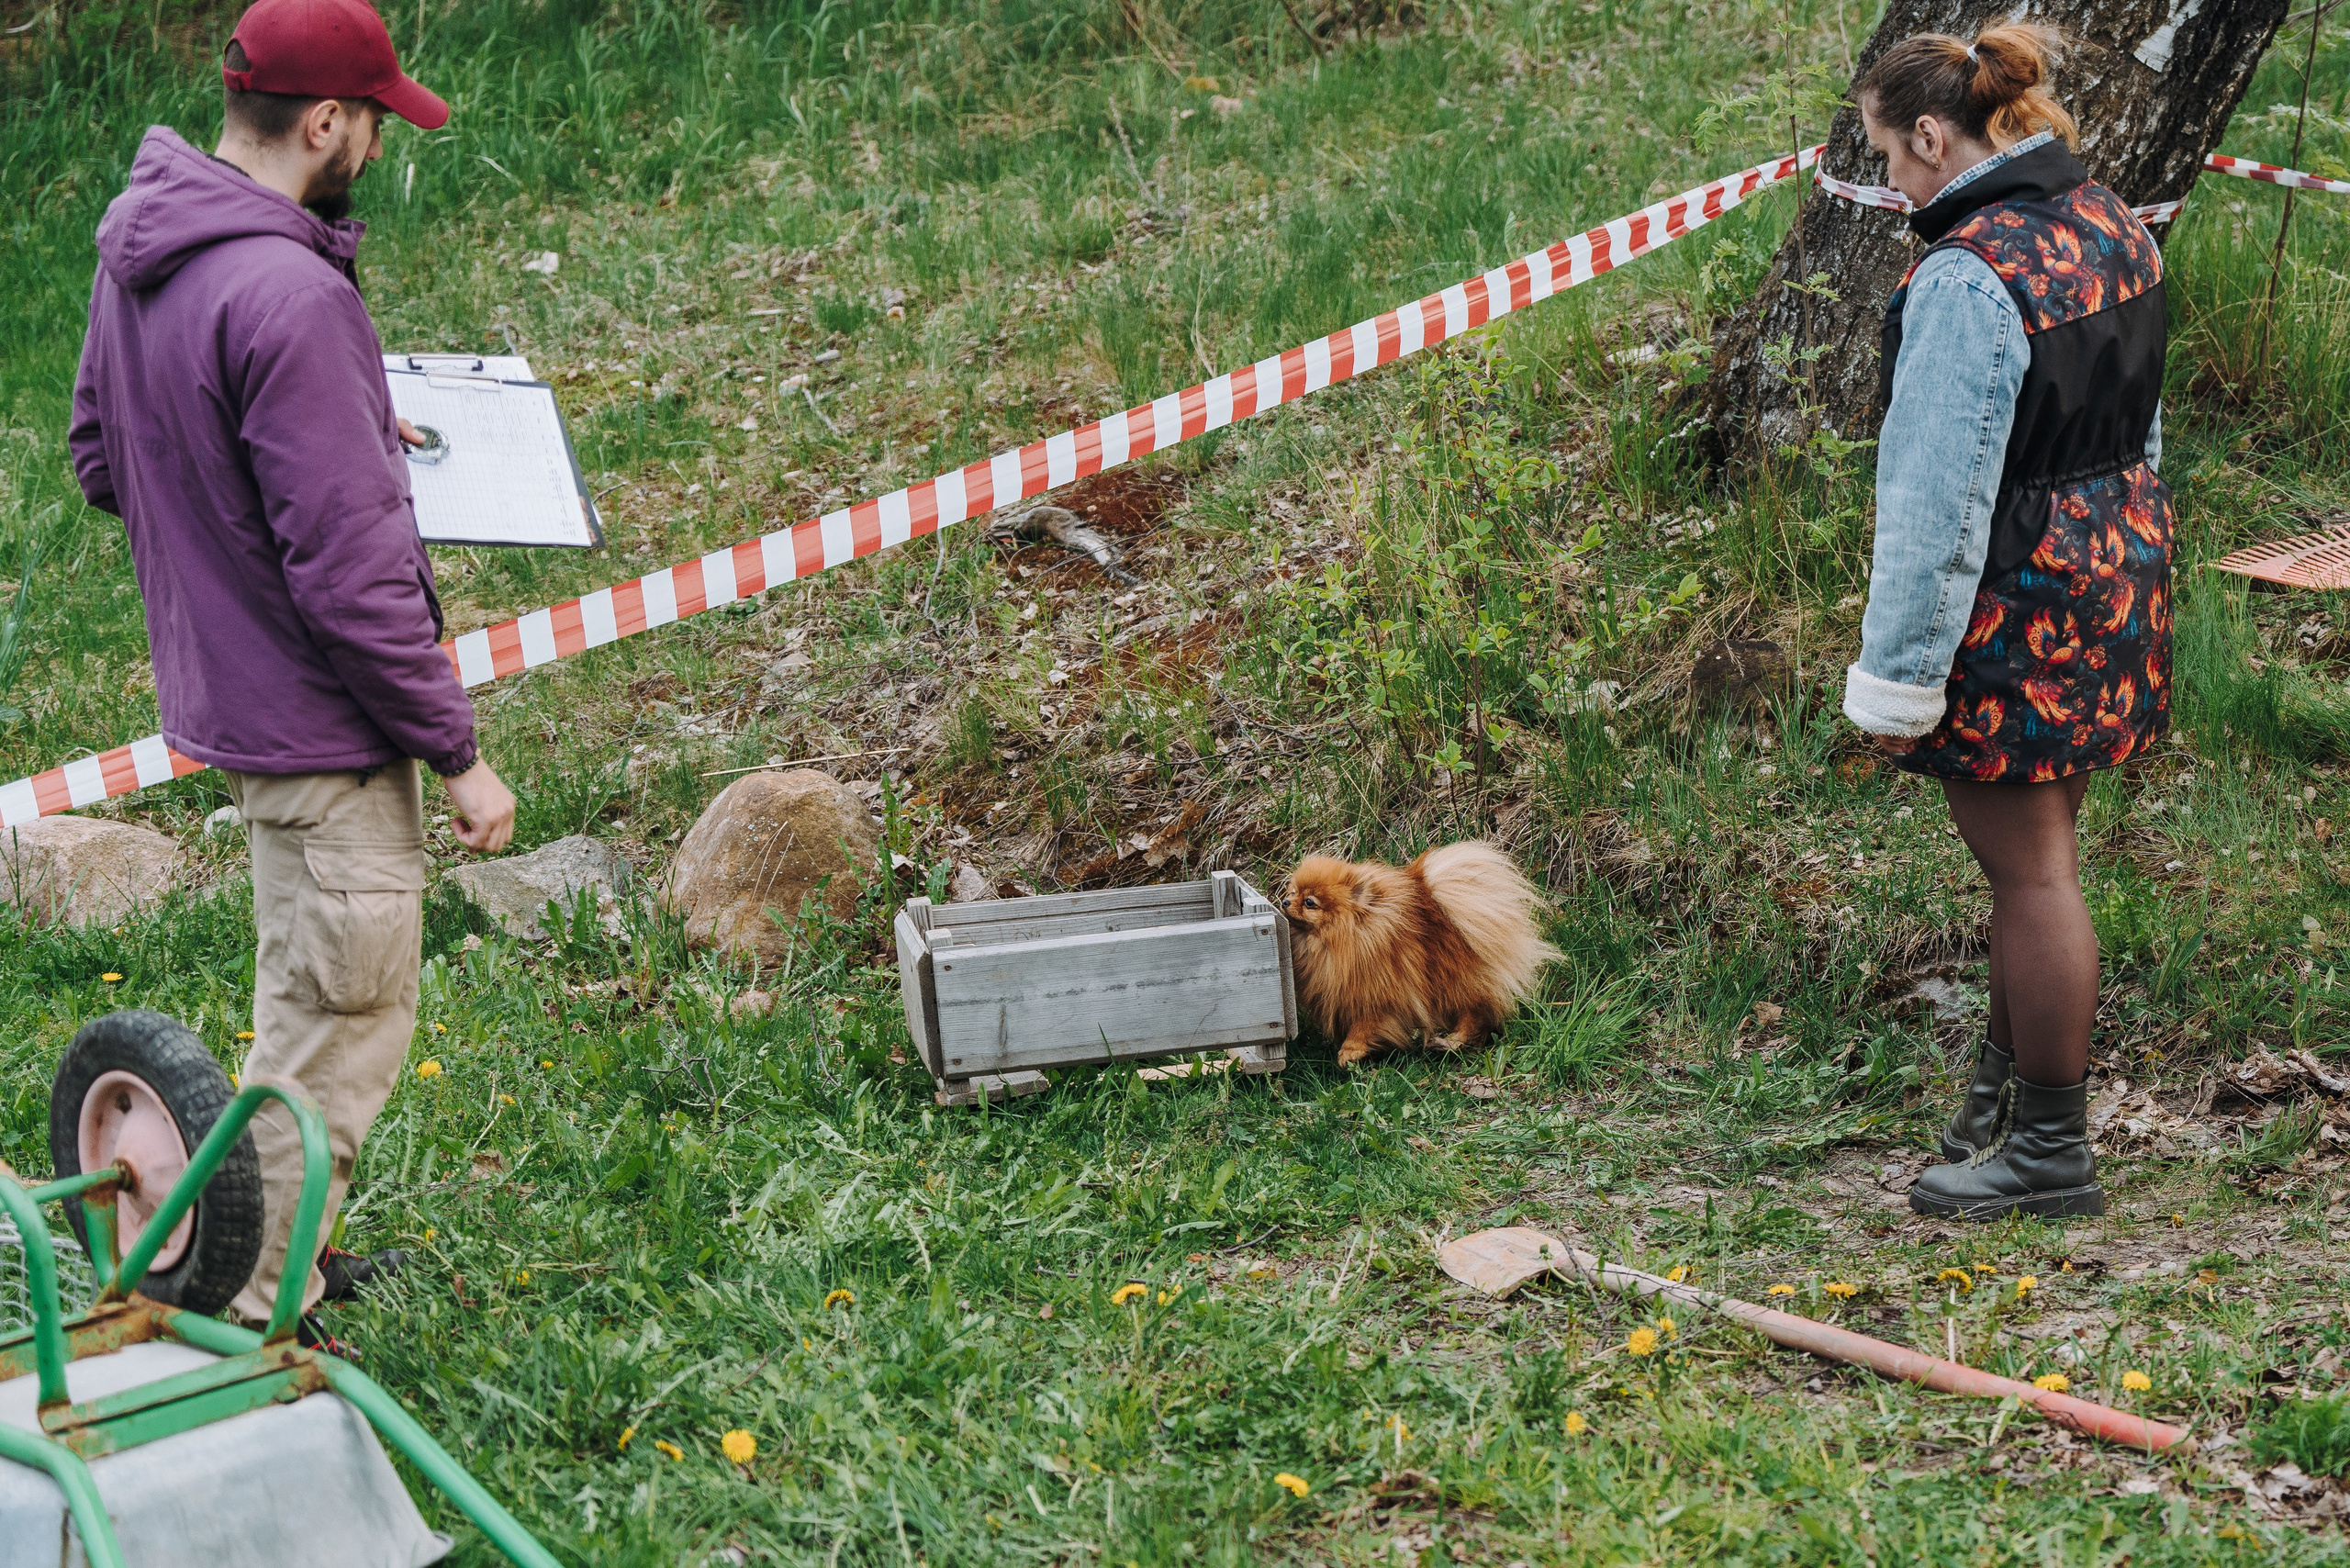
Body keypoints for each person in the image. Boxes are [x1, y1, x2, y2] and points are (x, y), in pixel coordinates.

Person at [69, 0, 516, 1338]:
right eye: (374, 120)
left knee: (298, 993)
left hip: (240, 706)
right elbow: (354, 582)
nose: (377, 142)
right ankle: (244, 1317)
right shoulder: (292, 294)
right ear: (322, 121)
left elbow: (105, 457)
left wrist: (232, 508)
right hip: (324, 730)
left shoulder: (143, 246)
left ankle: (287, 1259)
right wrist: (460, 752)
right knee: (338, 1037)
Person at [1840, 24, 2169, 1221]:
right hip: (2116, 576)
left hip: (2020, 598)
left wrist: (1898, 680)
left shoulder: (1970, 272)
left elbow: (1935, 499)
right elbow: (2139, 421)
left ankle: (2049, 1154)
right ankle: (2000, 1096)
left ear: (1936, 137)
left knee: (2031, 879)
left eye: (1886, 156)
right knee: (2044, 863)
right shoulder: (2108, 216)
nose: (1884, 185)